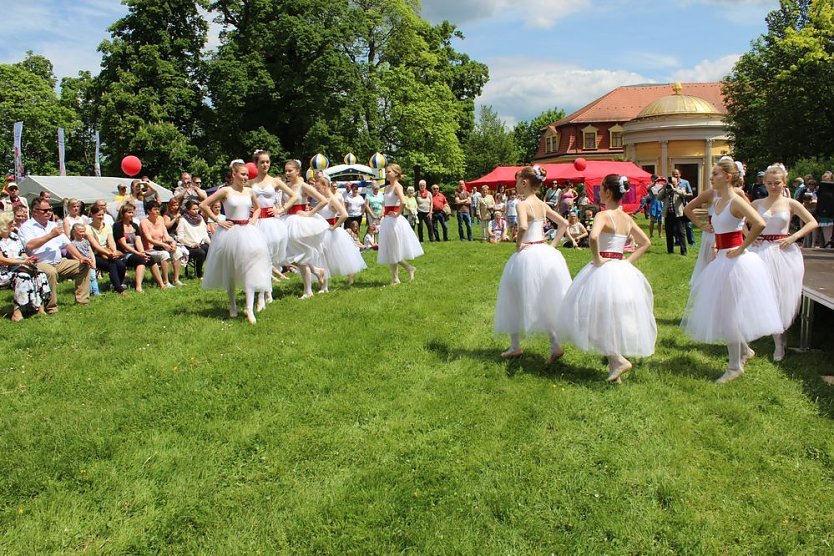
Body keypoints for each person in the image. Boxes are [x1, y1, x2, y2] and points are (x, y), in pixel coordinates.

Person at [682, 158, 783, 383]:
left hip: (736, 263)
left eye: (716, 174)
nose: (711, 177)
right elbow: (711, 223)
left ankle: (735, 366)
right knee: (723, 311)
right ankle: (744, 351)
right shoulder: (718, 201)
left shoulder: (735, 201)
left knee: (730, 314)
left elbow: (758, 223)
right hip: (721, 259)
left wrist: (741, 248)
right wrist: (703, 228)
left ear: (728, 177)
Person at [556, 174, 656, 383]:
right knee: (612, 320)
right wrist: (627, 262)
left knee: (589, 318)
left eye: (600, 188)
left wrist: (597, 258)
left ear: (608, 192)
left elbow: (593, 237)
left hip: (604, 271)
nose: (598, 192)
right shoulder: (627, 218)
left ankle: (618, 360)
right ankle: (614, 370)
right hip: (621, 269)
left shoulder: (604, 215)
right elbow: (645, 242)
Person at [494, 166, 571, 363]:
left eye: (518, 181)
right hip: (544, 252)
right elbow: (564, 224)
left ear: (525, 183)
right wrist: (552, 246)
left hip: (527, 254)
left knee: (512, 296)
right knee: (542, 299)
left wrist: (519, 243)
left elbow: (523, 226)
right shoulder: (542, 204)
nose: (517, 185)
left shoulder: (522, 204)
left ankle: (515, 345)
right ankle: (554, 344)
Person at [749, 165, 817, 361]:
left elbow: (812, 221)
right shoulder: (756, 203)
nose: (772, 186)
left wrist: (794, 236)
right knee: (760, 293)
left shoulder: (790, 203)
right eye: (769, 183)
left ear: (784, 183)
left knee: (779, 295)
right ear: (764, 183)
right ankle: (754, 333)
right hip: (759, 252)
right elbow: (739, 219)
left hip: (782, 252)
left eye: (776, 183)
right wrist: (749, 236)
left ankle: (779, 341)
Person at [200, 160, 272, 324]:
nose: (246, 177)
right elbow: (204, 204)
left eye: (247, 174)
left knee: (250, 269)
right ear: (234, 174)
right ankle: (232, 305)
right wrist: (218, 220)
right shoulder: (225, 191)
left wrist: (253, 219)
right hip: (229, 233)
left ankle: (249, 308)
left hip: (248, 232)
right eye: (242, 174)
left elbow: (258, 208)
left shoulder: (249, 191)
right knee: (231, 270)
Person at [19, 197, 91, 313]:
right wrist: (50, 235)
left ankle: (82, 301)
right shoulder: (26, 227)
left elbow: (67, 244)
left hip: (58, 262)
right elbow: (30, 246)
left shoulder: (53, 225)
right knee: (50, 272)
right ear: (34, 211)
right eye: (45, 210)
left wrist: (81, 257)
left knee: (83, 266)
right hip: (39, 262)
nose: (48, 212)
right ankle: (51, 308)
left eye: (50, 210)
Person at [280, 159, 329, 299]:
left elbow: (323, 200)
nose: (287, 173)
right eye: (286, 171)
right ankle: (317, 270)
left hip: (300, 223)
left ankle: (308, 291)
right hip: (287, 220)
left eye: (290, 170)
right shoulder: (286, 185)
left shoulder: (302, 185)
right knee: (288, 255)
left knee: (300, 257)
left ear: (297, 171)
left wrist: (309, 213)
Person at [249, 149, 297, 290]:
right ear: (256, 164)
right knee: (259, 255)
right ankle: (265, 288)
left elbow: (293, 196)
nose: (265, 165)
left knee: (269, 255)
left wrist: (281, 209)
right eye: (262, 162)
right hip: (257, 222)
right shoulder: (250, 183)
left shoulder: (275, 181)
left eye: (267, 162)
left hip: (271, 223)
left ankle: (267, 288)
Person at [316, 173, 367, 287]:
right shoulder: (323, 199)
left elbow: (344, 214)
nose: (316, 189)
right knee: (323, 257)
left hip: (331, 232)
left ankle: (348, 277)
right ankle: (324, 284)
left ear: (324, 185)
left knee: (340, 256)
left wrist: (334, 227)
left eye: (318, 187)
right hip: (322, 231)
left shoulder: (332, 199)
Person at [377, 164, 423, 284]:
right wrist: (382, 212)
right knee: (391, 249)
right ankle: (405, 271)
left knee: (393, 249)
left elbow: (403, 201)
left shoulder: (398, 186)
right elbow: (385, 203)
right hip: (387, 220)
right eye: (386, 172)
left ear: (396, 174)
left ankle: (397, 277)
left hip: (394, 222)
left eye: (389, 172)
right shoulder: (387, 187)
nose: (386, 174)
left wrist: (397, 214)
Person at [0, 212, 50, 321]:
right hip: (3, 273)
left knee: (39, 274)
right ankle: (17, 312)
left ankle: (38, 307)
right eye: (10, 222)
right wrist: (22, 262)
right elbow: (2, 260)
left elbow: (22, 253)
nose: (14, 223)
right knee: (23, 276)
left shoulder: (14, 236)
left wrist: (29, 259)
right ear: (3, 225)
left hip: (17, 268)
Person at [113, 202, 160, 292]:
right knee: (140, 260)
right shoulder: (117, 226)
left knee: (150, 258)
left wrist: (142, 252)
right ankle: (138, 287)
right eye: (129, 212)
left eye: (132, 212)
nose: (131, 214)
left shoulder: (134, 225)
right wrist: (138, 253)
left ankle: (161, 284)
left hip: (135, 252)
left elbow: (138, 241)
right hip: (123, 254)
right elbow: (123, 245)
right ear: (123, 213)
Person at [86, 204, 129, 295]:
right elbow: (95, 245)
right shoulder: (88, 228)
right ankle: (119, 289)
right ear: (92, 215)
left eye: (102, 215)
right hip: (94, 254)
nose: (101, 217)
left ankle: (116, 285)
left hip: (108, 252)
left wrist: (113, 252)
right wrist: (108, 254)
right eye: (98, 215)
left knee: (121, 265)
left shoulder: (107, 226)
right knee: (112, 264)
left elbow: (111, 241)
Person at [140, 200, 181, 288]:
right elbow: (149, 239)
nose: (157, 211)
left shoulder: (160, 219)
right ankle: (165, 281)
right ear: (148, 211)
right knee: (165, 254)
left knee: (177, 252)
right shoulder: (144, 222)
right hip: (149, 249)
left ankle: (175, 279)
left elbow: (166, 236)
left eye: (158, 209)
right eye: (155, 209)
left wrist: (173, 242)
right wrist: (163, 245)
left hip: (161, 246)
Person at [176, 200, 211, 280]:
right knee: (201, 252)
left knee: (209, 249)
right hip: (188, 245)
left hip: (200, 243)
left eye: (197, 209)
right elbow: (180, 237)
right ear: (188, 210)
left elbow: (204, 234)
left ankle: (208, 271)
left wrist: (210, 243)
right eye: (193, 209)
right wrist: (192, 244)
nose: (196, 211)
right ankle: (199, 274)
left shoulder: (200, 218)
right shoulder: (183, 220)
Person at [657, 175, 690, 255]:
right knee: (669, 233)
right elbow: (658, 197)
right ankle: (670, 250)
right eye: (670, 183)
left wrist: (674, 189)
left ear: (676, 183)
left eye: (673, 182)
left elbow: (684, 194)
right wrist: (664, 188)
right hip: (668, 214)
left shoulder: (679, 188)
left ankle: (683, 251)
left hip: (678, 215)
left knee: (681, 233)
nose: (671, 184)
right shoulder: (666, 190)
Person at [69, 224, 100, 296]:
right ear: (74, 232)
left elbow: (90, 252)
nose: (82, 233)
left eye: (83, 231)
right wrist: (80, 260)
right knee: (85, 279)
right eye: (80, 232)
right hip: (82, 263)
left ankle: (96, 292)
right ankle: (87, 292)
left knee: (93, 277)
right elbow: (73, 255)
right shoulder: (73, 243)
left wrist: (93, 261)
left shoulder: (86, 241)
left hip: (90, 262)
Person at [672, 168, 696, 247]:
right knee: (676, 226)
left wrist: (683, 194)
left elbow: (690, 194)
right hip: (675, 207)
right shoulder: (670, 183)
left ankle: (691, 242)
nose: (675, 176)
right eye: (674, 174)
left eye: (677, 174)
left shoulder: (685, 182)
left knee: (688, 225)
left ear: (680, 174)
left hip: (684, 206)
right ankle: (677, 241)